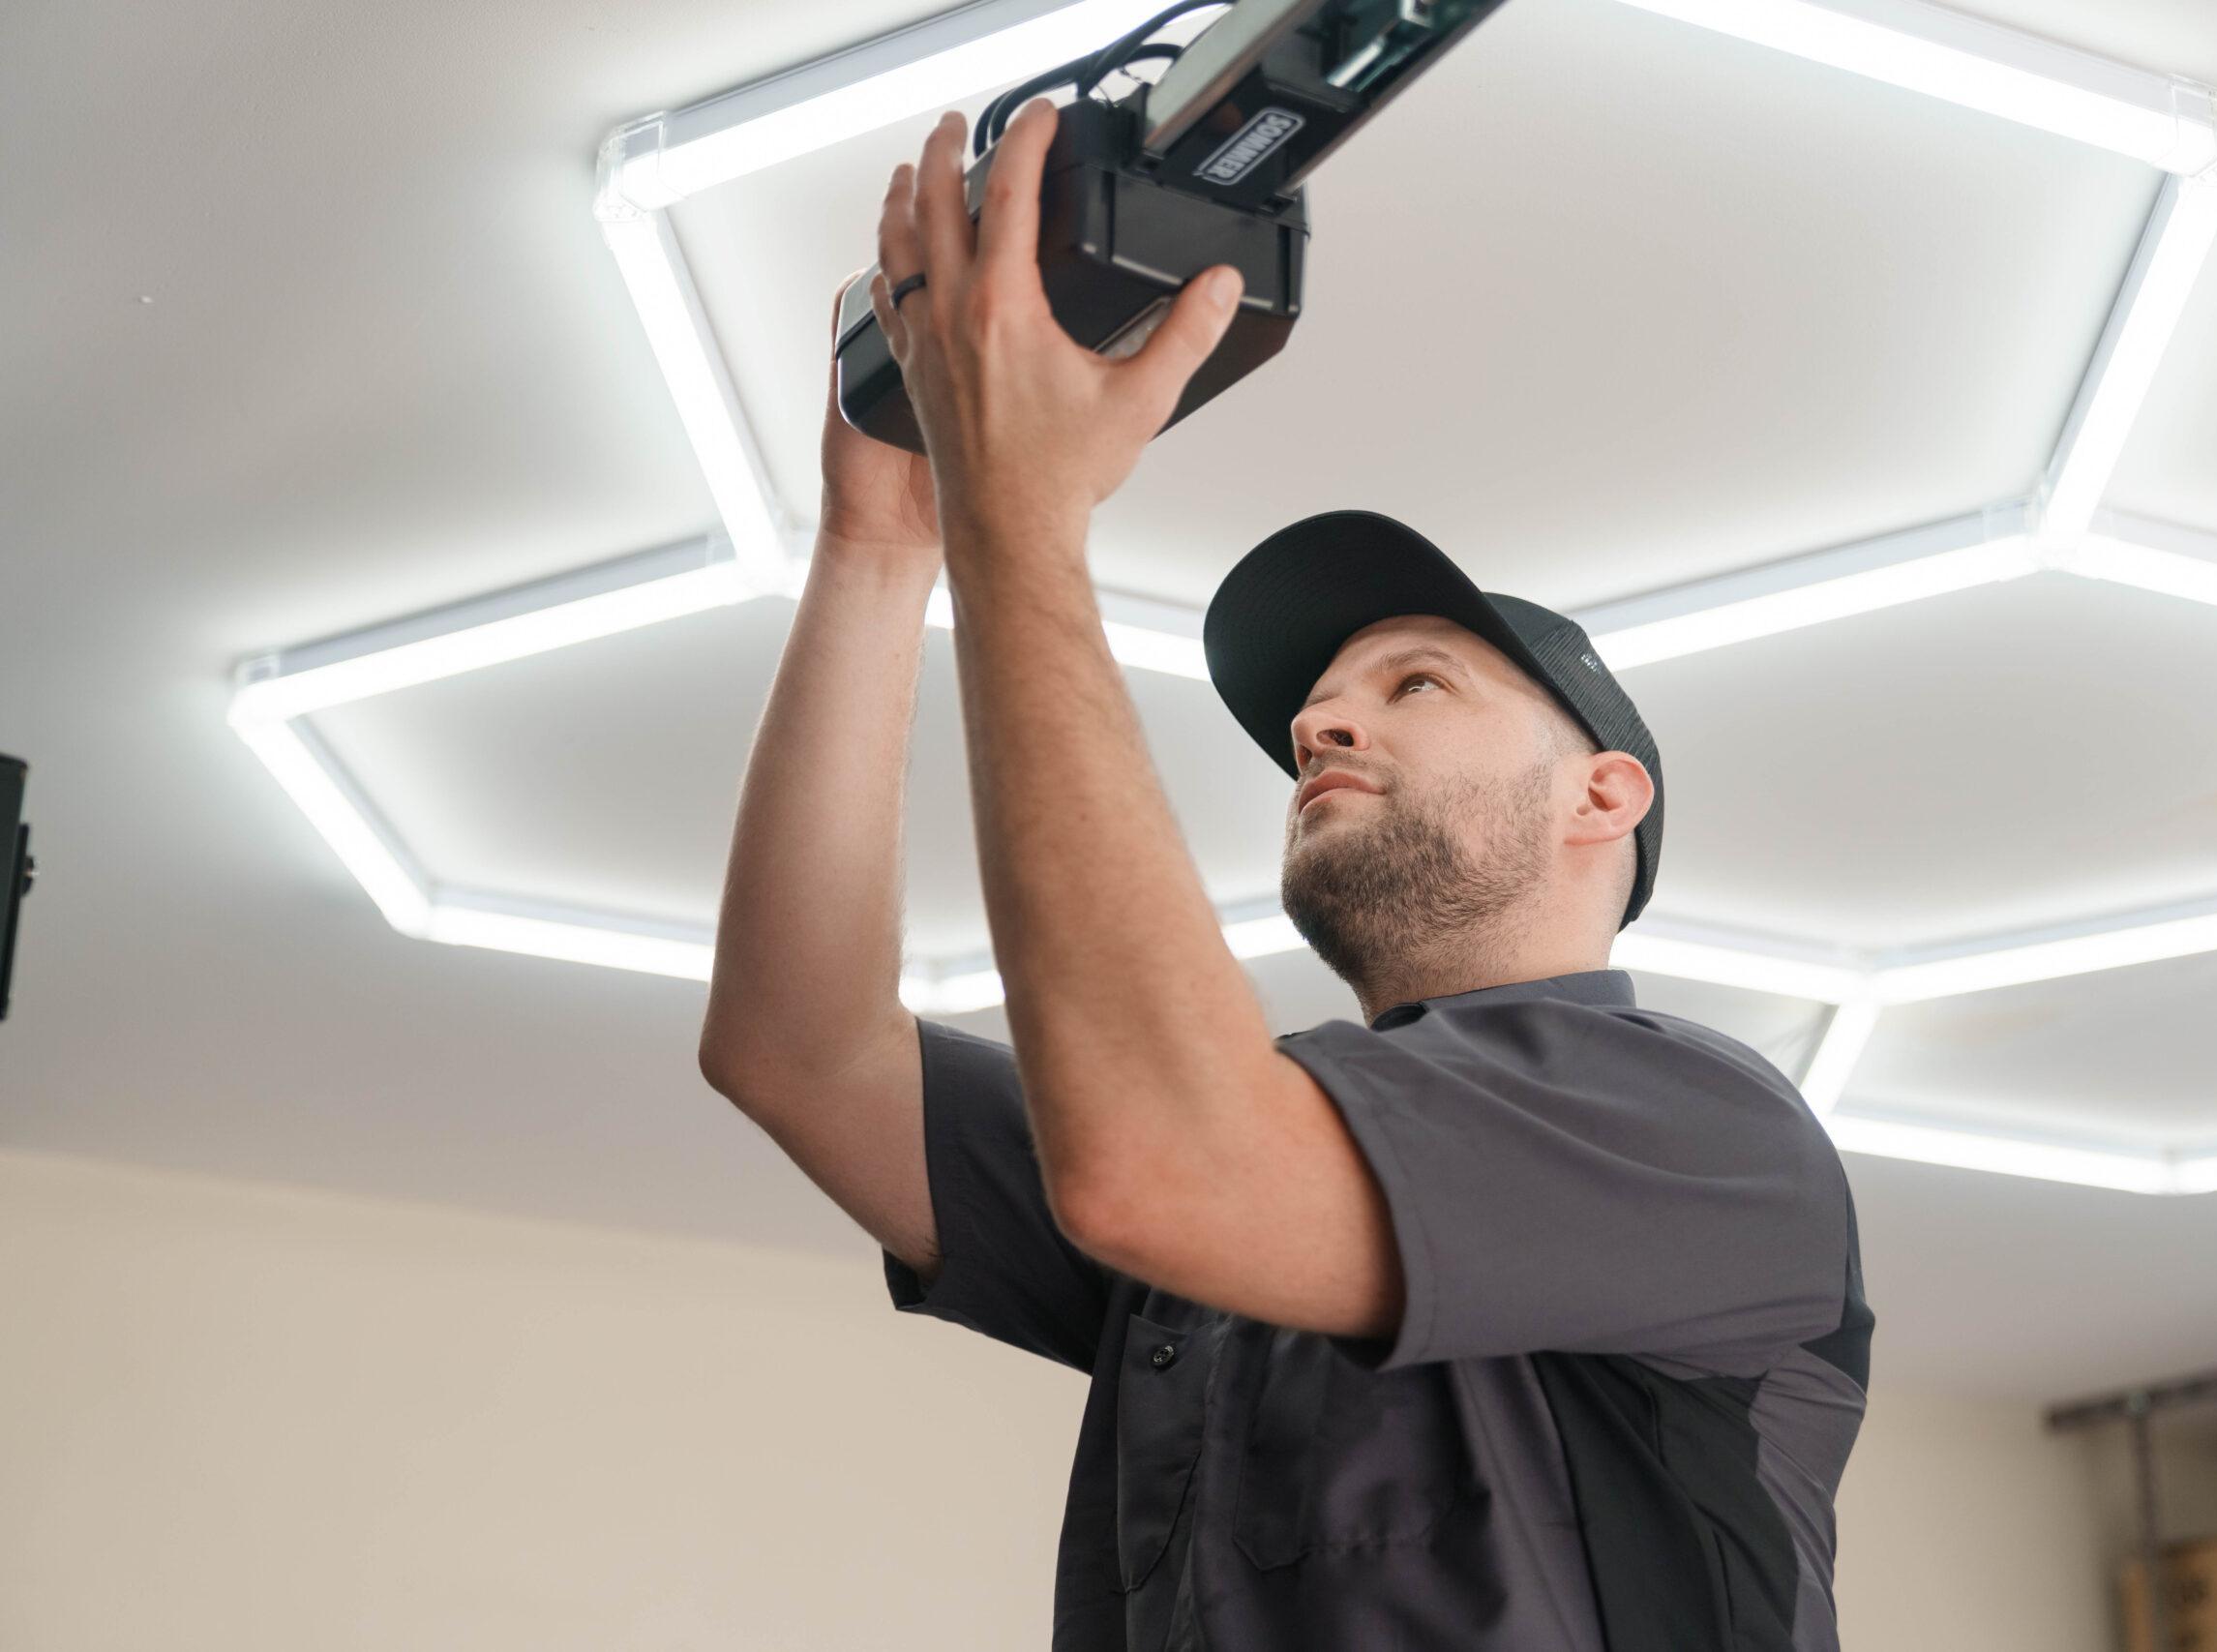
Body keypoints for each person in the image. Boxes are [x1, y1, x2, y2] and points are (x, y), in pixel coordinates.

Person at [699, 97, 1870, 1652]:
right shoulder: (1257, 1158)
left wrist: (1022, 512)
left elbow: (1156, 1167)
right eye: (1324, 699)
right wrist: (881, 550)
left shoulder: (1707, 1135)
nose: (1320, 716)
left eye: (1416, 683)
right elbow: (798, 1052)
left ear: (1605, 794)